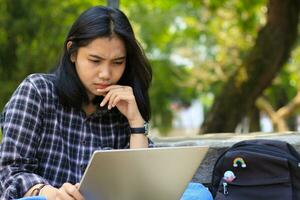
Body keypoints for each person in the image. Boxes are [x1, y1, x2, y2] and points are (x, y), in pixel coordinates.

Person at [0, 6, 153, 200]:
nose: (106, 74)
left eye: (117, 62)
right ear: (72, 52)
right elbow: (9, 171)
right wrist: (47, 192)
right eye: (95, 60)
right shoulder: (37, 91)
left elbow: (141, 185)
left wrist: (136, 122)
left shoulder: (122, 106)